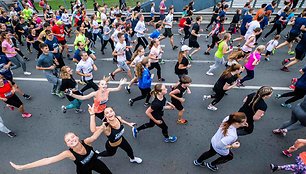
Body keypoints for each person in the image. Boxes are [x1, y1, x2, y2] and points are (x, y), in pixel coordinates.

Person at [10, 130, 112, 173]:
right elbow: (47, 160)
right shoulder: (68, 154)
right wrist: (23, 167)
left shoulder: (87, 142)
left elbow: (95, 135)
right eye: (68, 140)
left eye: (72, 137)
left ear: (77, 137)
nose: (71, 140)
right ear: (67, 145)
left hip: (96, 163)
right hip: (83, 171)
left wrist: (102, 124)